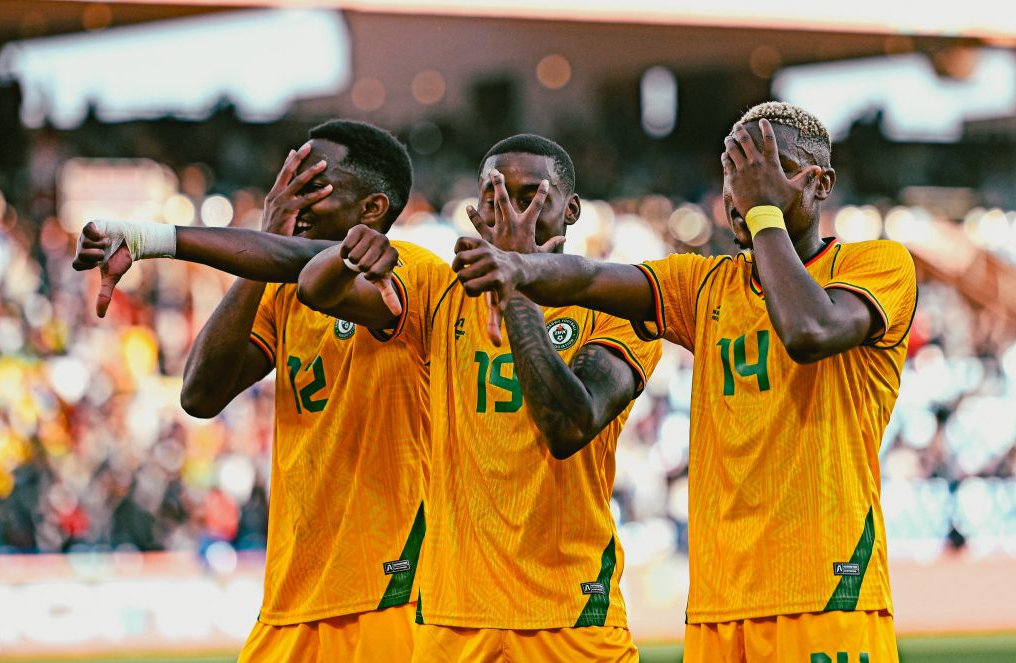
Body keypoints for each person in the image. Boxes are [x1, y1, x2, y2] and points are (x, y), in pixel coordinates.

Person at [452, 103, 916, 662]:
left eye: (768, 168)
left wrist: (765, 211)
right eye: (733, 171)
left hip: (827, 594)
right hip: (717, 610)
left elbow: (808, 329)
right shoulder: (703, 285)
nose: (743, 188)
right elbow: (593, 276)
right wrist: (519, 267)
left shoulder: (879, 265)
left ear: (820, 184)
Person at [72, 120, 441, 662]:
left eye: (313, 182)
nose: (292, 196)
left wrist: (155, 240)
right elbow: (200, 394)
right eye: (287, 179)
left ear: (371, 209)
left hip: (390, 594)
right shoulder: (281, 293)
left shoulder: (409, 270)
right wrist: (262, 253)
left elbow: (316, 275)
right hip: (291, 596)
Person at [296, 134, 662, 662]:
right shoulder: (434, 290)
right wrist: (348, 258)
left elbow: (567, 426)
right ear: (476, 210)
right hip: (453, 619)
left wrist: (515, 282)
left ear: (572, 210)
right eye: (495, 198)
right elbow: (313, 289)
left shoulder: (611, 304)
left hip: (569, 614)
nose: (513, 214)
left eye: (532, 195)